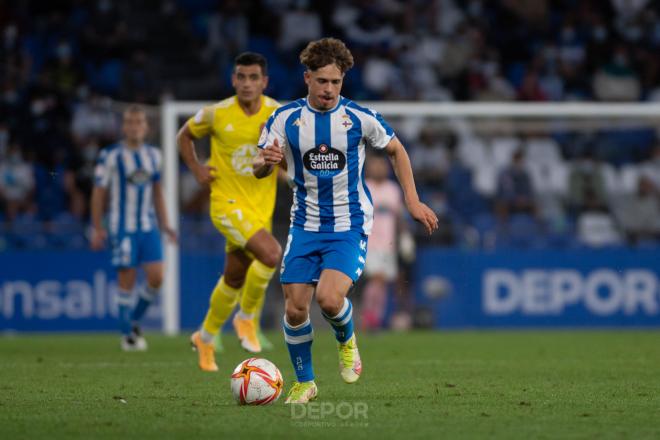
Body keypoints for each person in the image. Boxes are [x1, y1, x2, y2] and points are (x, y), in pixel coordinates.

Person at [254, 38, 438, 403]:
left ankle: (347, 340)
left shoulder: (358, 118)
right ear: (307, 78)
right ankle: (305, 383)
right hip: (304, 224)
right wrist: (266, 162)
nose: (329, 89)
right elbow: (259, 166)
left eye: (336, 82)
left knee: (328, 298)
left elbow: (397, 150)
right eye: (322, 81)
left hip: (348, 225)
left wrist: (413, 201)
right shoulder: (284, 118)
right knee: (294, 309)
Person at [177, 52, 282, 372]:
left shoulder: (277, 112)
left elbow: (287, 153)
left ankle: (205, 338)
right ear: (233, 79)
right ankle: (246, 318)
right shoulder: (216, 114)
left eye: (254, 78)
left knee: (234, 276)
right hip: (226, 204)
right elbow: (184, 135)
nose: (247, 83)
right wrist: (196, 169)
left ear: (264, 81)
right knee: (271, 253)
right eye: (241, 77)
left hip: (260, 208)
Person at [90, 105, 177, 351]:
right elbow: (98, 193)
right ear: (123, 126)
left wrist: (166, 224)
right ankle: (127, 334)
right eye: (129, 122)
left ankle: (134, 319)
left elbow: (157, 192)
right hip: (122, 227)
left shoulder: (154, 156)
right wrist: (97, 227)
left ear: (146, 127)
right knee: (127, 278)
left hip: (148, 226)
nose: (134, 126)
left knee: (157, 277)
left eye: (139, 122)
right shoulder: (110, 155)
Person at [360, 154, 406, 330]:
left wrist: (404, 238)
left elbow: (399, 217)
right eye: (375, 166)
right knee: (375, 279)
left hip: (388, 244)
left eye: (381, 166)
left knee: (383, 282)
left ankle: (375, 318)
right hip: (369, 242)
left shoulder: (393, 189)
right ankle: (368, 316)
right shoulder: (364, 188)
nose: (378, 169)